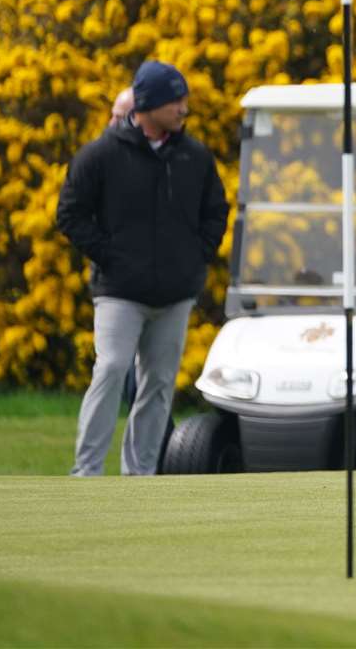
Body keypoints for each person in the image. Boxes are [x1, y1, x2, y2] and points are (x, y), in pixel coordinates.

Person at [57, 61, 229, 476]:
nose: (183, 108)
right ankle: (87, 473)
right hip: (119, 290)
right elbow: (71, 213)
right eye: (175, 100)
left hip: (174, 293)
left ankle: (141, 475)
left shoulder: (194, 155)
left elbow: (216, 211)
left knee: (158, 385)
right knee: (112, 368)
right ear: (148, 104)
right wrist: (109, 255)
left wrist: (196, 255)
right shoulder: (101, 154)